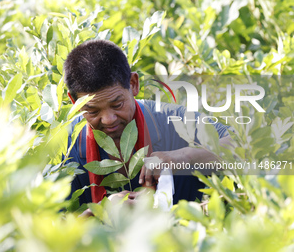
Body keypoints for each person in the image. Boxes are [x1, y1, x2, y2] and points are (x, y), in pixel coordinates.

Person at [63, 39, 230, 208]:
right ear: (73, 102)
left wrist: (182, 158)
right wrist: (101, 214)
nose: (108, 119)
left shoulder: (170, 120)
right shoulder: (65, 149)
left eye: (117, 105)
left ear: (133, 84)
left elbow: (248, 147)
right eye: (92, 111)